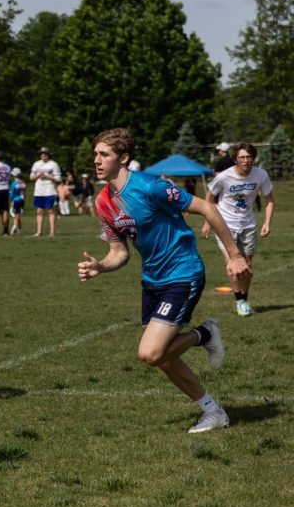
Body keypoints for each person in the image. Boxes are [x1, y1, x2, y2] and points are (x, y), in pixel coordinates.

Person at [78, 128, 246, 434]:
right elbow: (119, 252)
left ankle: (204, 334)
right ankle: (213, 412)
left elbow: (207, 208)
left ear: (124, 158)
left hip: (183, 272)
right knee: (165, 359)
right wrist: (101, 266)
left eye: (104, 154)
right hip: (152, 280)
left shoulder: (150, 187)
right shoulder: (103, 201)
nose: (97, 161)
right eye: (95, 155)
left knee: (151, 353)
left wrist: (233, 255)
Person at [202, 142, 275, 317]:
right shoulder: (224, 177)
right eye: (241, 157)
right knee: (233, 265)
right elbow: (209, 197)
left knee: (247, 265)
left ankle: (244, 299)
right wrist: (208, 222)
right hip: (225, 224)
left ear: (253, 158)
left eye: (249, 157)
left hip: (248, 225)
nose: (245, 160)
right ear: (235, 159)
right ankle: (239, 301)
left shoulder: (261, 175)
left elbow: (269, 200)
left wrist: (267, 223)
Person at [30, 147, 62, 237]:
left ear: (48, 155)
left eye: (45, 153)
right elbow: (31, 177)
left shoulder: (53, 164)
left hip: (50, 191)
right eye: (41, 153)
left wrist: (46, 176)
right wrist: (38, 176)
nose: (43, 155)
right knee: (39, 211)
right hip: (39, 191)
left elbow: (58, 178)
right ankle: (39, 231)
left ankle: (52, 232)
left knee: (51, 211)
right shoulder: (36, 164)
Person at [9, 168, 26, 235]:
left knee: (16, 214)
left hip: (15, 200)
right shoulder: (23, 183)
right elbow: (24, 192)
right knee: (18, 214)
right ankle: (19, 230)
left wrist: (10, 201)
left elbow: (11, 194)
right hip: (22, 200)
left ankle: (15, 226)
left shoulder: (13, 184)